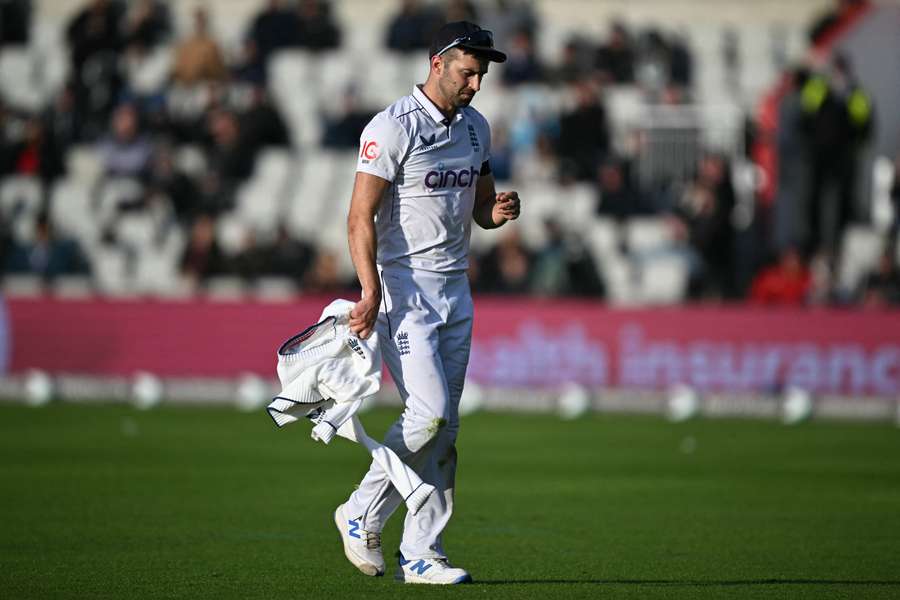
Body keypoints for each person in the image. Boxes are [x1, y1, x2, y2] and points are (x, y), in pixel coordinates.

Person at [336, 21, 520, 585]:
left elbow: (481, 208)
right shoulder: (393, 127)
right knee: (429, 413)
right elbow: (358, 217)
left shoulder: (476, 128)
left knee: (446, 430)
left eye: (482, 75)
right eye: (468, 72)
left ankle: (422, 553)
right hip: (404, 291)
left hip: (456, 292)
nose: (476, 84)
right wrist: (369, 291)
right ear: (436, 63)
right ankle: (359, 513)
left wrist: (499, 212)